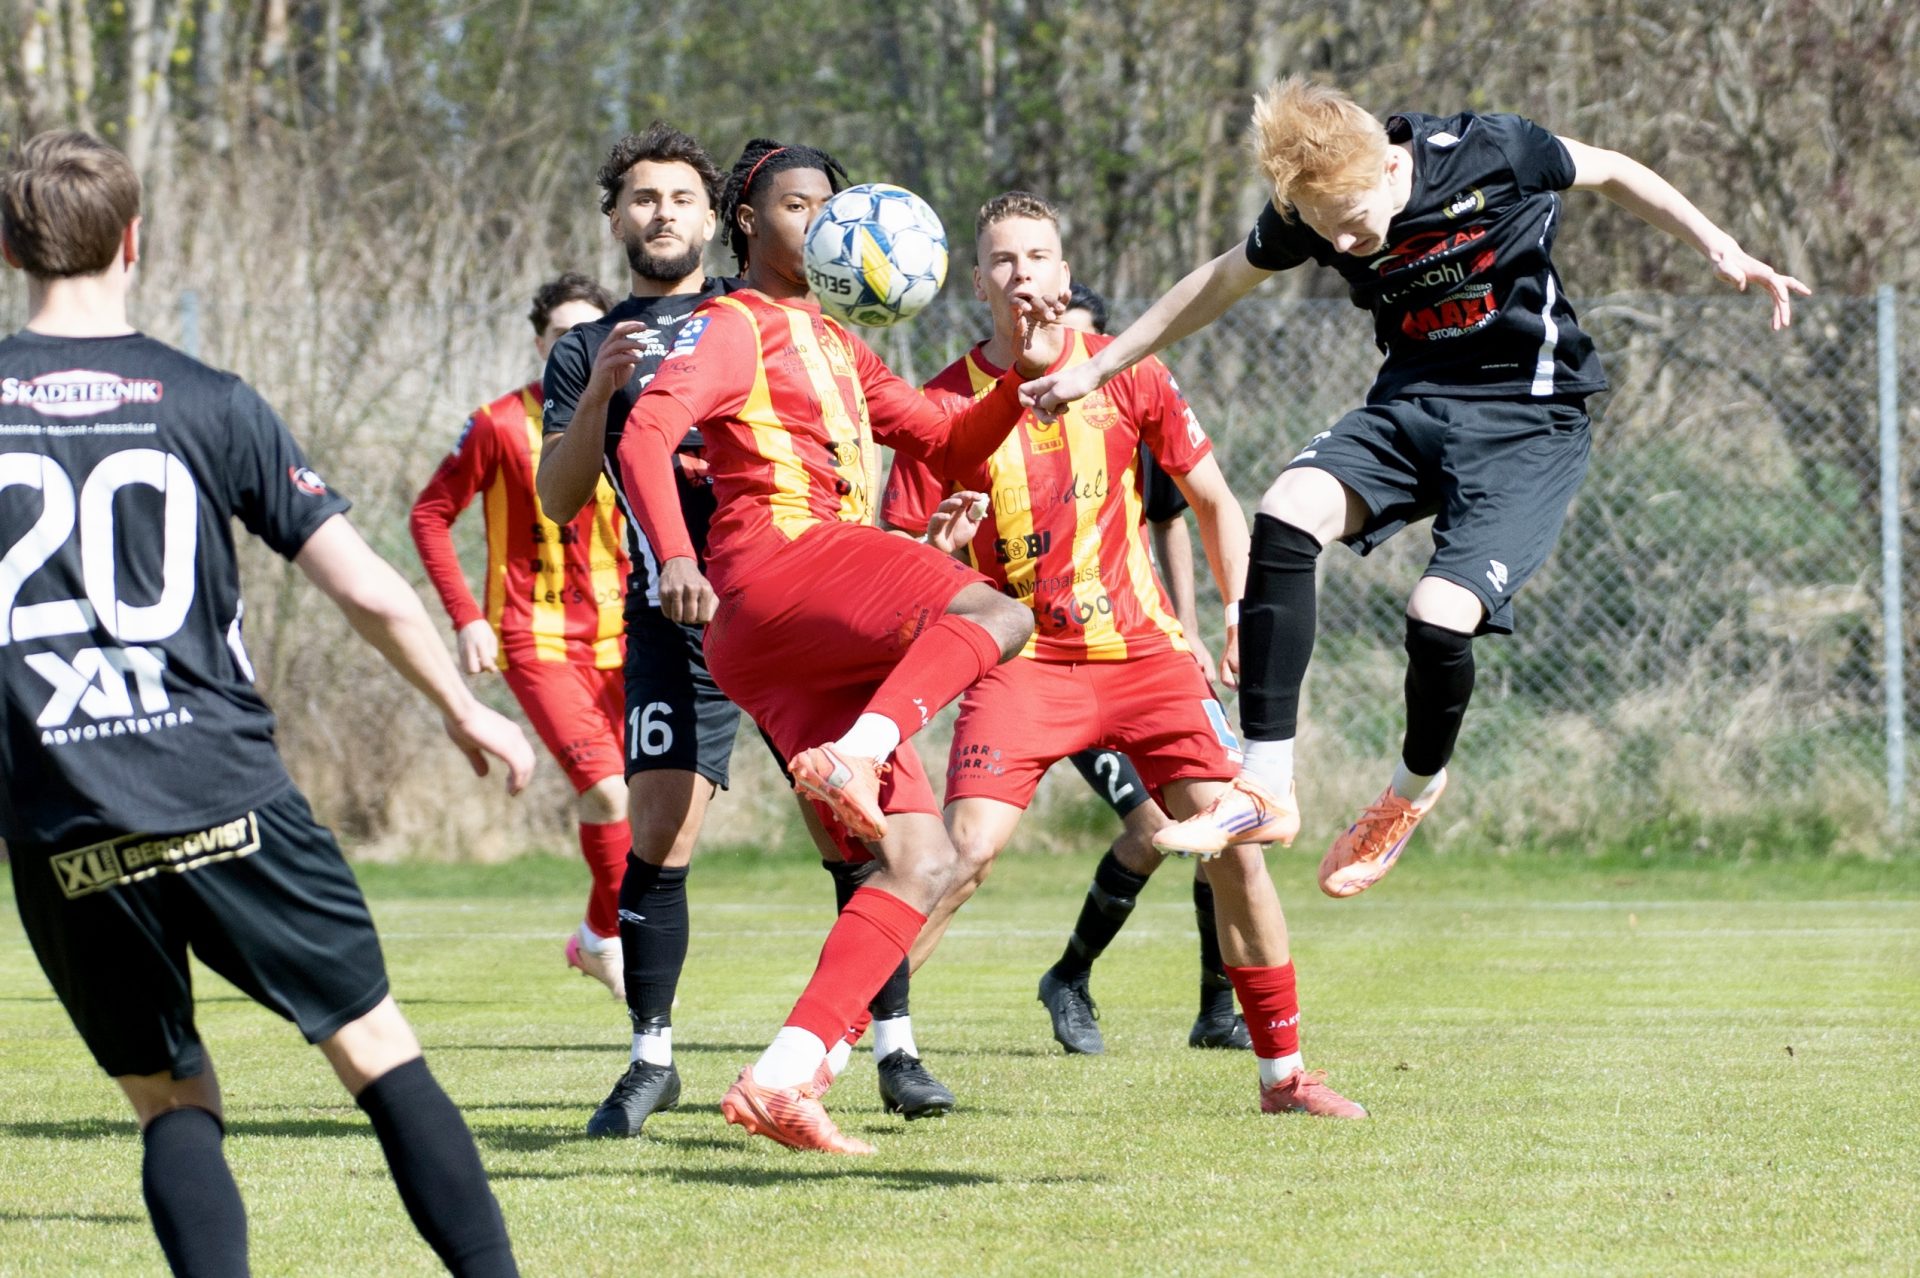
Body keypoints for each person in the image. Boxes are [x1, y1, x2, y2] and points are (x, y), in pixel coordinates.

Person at [1027, 80, 1810, 896]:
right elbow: (1218, 282)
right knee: (1285, 511)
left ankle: (1410, 791)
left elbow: (1611, 169)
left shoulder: (1492, 152)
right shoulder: (1310, 212)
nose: (1345, 243)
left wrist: (1717, 244)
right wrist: (1096, 368)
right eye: (1326, 230)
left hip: (1529, 419)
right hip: (1414, 405)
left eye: (1352, 221)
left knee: (1437, 617)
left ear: (1390, 167)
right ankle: (1265, 785)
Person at [0, 130, 531, 1276]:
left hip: (62, 818)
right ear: (134, 242)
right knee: (375, 1050)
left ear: (7, 248)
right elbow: (367, 589)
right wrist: (461, 706)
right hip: (224, 794)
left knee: (170, 1099)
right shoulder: (210, 401)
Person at [616, 138, 1053, 1154]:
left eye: (831, 207)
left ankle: (782, 1078)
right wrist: (673, 554)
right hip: (778, 564)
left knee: (923, 859)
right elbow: (645, 435)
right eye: (798, 207)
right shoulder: (734, 325)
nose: (821, 224)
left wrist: (1018, 379)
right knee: (1000, 615)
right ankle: (855, 753)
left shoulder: (841, 346)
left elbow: (947, 440)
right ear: (747, 222)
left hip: (785, 633)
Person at [883, 191, 1361, 1119]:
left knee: (1236, 846)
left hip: (1145, 658)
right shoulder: (941, 403)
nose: (1023, 273)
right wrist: (936, 553)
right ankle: (830, 1050)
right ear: (978, 282)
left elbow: (1214, 501)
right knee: (959, 856)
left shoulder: (1129, 372)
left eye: (1038, 256)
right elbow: (894, 555)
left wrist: (1237, 613)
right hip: (1020, 664)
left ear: (1064, 275)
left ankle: (1285, 1077)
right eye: (1004, 259)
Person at [535, 126, 950, 1138]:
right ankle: (650, 1061)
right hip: (672, 618)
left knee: (854, 827)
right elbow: (558, 497)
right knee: (659, 837)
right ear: (616, 218)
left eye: (681, 196)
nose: (662, 213)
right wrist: (599, 394)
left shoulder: (764, 315)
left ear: (716, 215)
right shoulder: (591, 346)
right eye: (643, 198)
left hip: (783, 601)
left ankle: (893, 1048)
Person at [409, 272, 628, 997]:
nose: (575, 345)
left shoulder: (635, 417)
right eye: (561, 334)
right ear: (540, 344)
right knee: (610, 794)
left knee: (650, 807)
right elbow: (429, 514)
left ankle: (595, 937)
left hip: (630, 637)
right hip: (537, 638)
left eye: (589, 332)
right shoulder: (500, 423)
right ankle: (610, 940)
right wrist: (467, 616)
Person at [1049, 282, 1247, 1053]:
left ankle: (1217, 1012)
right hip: (1059, 663)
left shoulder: (1123, 401)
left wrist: (1191, 630)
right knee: (1156, 826)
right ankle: (1069, 977)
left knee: (1217, 822)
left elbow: (1171, 519)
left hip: (1142, 651)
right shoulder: (1014, 416)